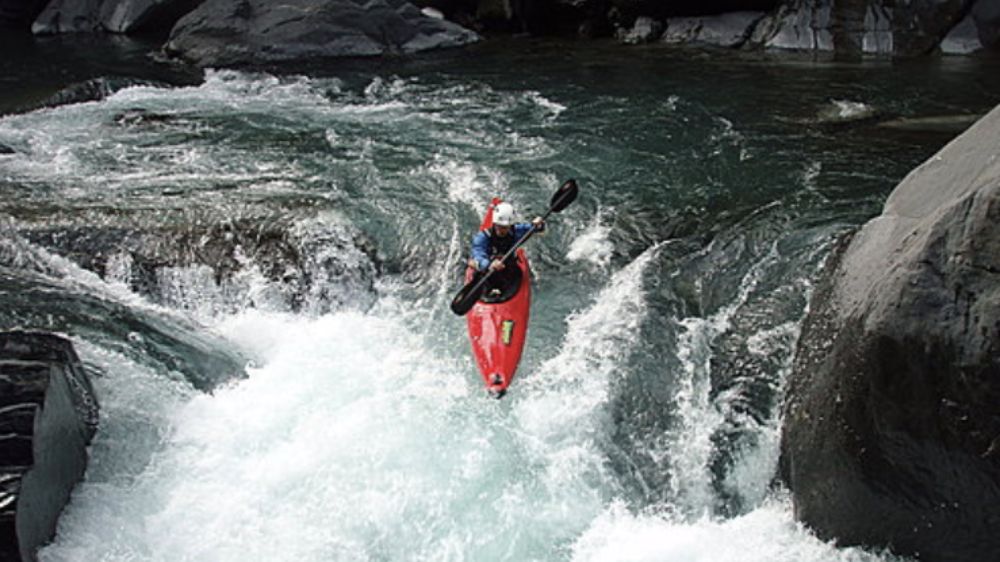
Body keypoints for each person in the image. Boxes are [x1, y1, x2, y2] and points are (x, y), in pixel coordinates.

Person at [469, 202, 545, 299]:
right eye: (499, 226)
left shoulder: (515, 231)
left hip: (508, 270)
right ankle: (491, 291)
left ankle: (500, 291)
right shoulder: (482, 238)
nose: (502, 230)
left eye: (505, 227)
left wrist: (538, 225)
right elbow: (477, 255)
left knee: (509, 274)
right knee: (476, 266)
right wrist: (489, 264)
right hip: (486, 272)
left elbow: (535, 228)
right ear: (495, 224)